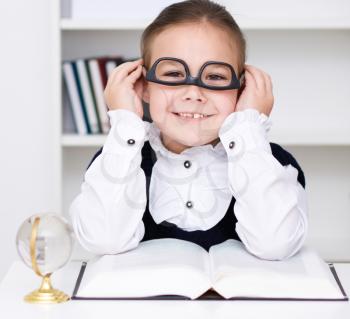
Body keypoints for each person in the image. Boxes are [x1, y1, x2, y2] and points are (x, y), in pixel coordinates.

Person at [69, 0, 308, 261]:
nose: (194, 93)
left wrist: (249, 128)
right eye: (173, 74)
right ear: (143, 85)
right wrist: (125, 122)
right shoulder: (118, 159)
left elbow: (276, 245)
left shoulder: (271, 164)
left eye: (215, 77)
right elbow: (103, 240)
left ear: (242, 89)